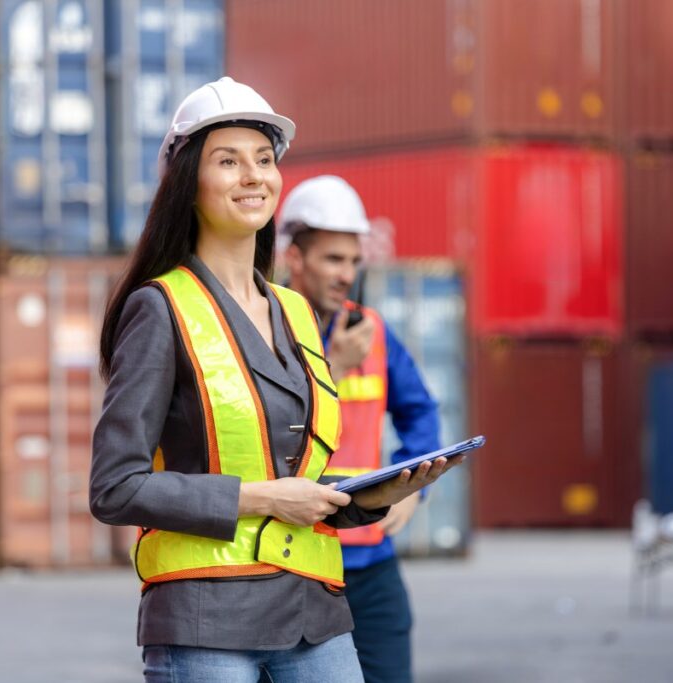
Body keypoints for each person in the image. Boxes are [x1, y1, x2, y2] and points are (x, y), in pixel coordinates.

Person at [89, 78, 462, 683]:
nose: (253, 176)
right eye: (228, 161)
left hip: (312, 612)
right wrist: (261, 497)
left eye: (264, 160)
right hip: (207, 618)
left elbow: (296, 474)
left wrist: (368, 495)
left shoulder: (294, 312)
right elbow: (114, 487)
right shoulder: (160, 308)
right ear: (189, 183)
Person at [279, 176, 442, 683]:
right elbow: (260, 421)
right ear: (294, 259)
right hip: (292, 559)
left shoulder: (371, 331)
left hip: (371, 559)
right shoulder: (263, 329)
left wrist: (415, 487)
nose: (346, 274)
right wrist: (331, 367)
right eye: (333, 259)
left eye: (353, 261)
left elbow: (421, 412)